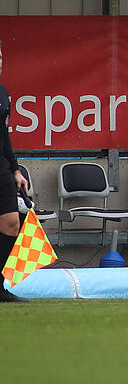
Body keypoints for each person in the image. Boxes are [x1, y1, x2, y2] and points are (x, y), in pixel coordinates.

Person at [0, 40, 30, 302]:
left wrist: (15, 169)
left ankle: (0, 287)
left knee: (11, 223)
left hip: (1, 167)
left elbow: (5, 134)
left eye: (0, 57)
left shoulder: (2, 92)